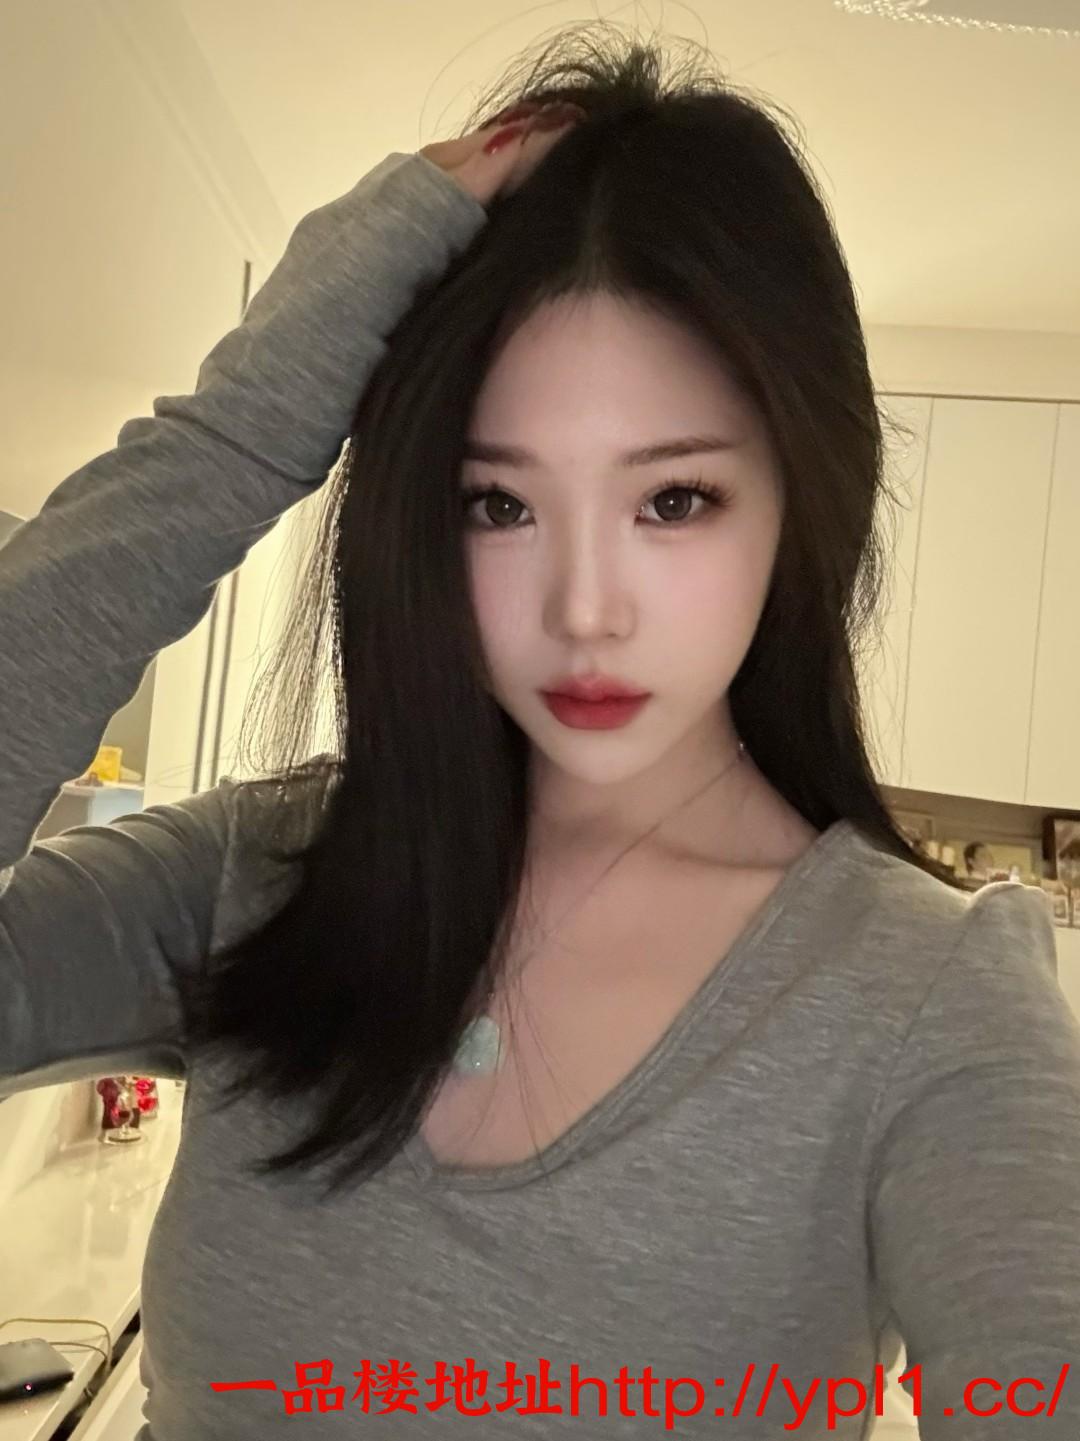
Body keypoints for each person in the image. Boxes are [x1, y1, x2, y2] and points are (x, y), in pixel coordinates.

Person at [2, 23, 1078, 1440]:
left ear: (801, 505)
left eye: (674, 500)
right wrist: (242, 427)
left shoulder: (932, 1003)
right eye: (497, 503)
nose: (584, 610)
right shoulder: (253, 878)